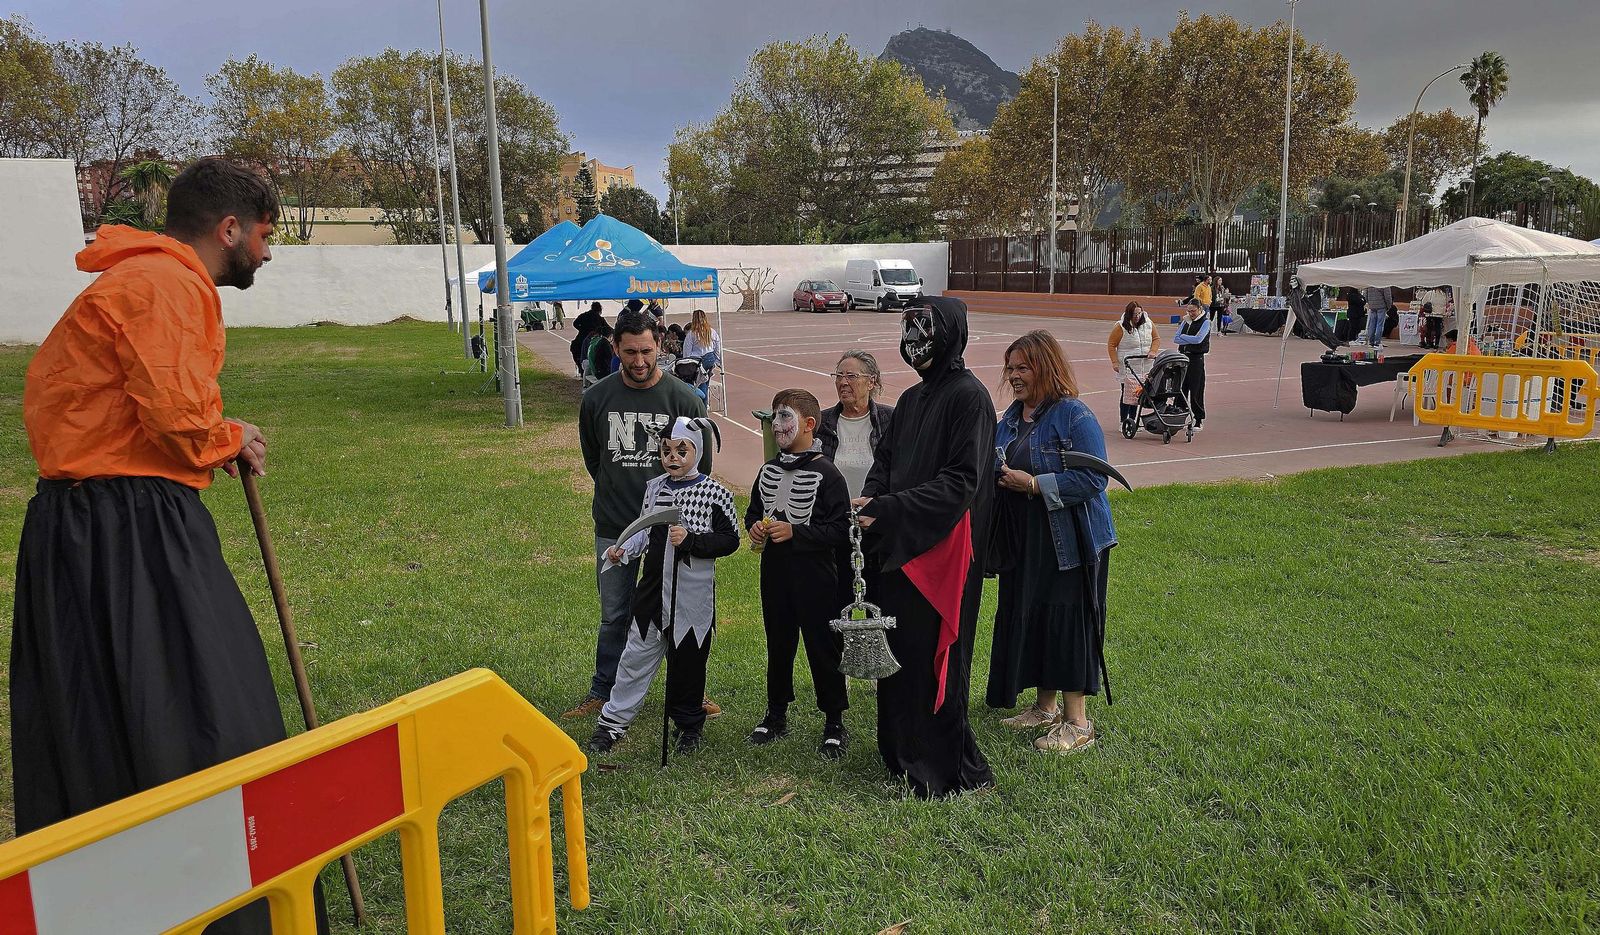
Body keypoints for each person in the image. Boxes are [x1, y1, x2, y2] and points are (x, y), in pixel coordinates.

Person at [12, 157, 323, 934]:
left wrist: (218, 434)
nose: (268, 252)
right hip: (129, 531)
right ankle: (221, 905)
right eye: (265, 235)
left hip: (84, 529)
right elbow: (178, 419)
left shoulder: (138, 278)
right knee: (199, 708)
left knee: (111, 715)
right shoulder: (167, 283)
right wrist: (229, 436)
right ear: (230, 229)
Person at [853, 296, 995, 798]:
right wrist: (871, 499)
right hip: (899, 545)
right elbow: (886, 462)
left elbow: (962, 482)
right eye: (907, 330)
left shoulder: (970, 397)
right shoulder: (912, 400)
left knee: (937, 658)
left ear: (949, 334)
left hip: (944, 549)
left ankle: (944, 767)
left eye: (924, 330)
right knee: (901, 654)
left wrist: (890, 506)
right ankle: (901, 753)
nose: (913, 342)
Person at [573, 309, 719, 721]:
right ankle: (603, 690)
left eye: (647, 351)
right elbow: (594, 458)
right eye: (630, 352)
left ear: (660, 346)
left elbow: (701, 467)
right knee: (614, 614)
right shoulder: (597, 398)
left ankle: (688, 693)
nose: (639, 361)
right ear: (616, 348)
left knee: (678, 612)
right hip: (615, 524)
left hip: (670, 530)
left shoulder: (684, 400)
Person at [988, 331, 1116, 754]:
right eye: (1010, 368)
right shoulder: (1010, 419)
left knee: (1067, 623)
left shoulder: (1073, 415)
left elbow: (1094, 478)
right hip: (1027, 541)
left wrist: (1034, 485)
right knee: (1037, 618)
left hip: (1071, 542)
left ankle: (1078, 723)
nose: (1014, 376)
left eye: (1023, 367)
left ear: (1045, 367)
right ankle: (1045, 708)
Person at [590, 417, 740, 754]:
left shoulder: (716, 494)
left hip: (692, 597)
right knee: (634, 659)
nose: (672, 457)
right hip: (652, 594)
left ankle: (688, 726)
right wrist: (624, 548)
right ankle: (612, 723)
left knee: (688, 666)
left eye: (681, 451)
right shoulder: (655, 488)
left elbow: (730, 540)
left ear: (697, 451)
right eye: (666, 451)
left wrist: (691, 540)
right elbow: (645, 529)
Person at [745, 390, 852, 758]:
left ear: (808, 424)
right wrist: (754, 527)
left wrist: (797, 532)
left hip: (816, 577)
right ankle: (776, 714)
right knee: (778, 643)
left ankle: (834, 720)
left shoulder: (828, 474)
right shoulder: (768, 470)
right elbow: (754, 511)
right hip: (775, 574)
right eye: (775, 417)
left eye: (785, 417)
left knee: (823, 646)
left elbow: (840, 529)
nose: (777, 425)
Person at [817, 350, 894, 501]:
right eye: (839, 376)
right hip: (833, 513)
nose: (843, 382)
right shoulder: (821, 422)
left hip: (876, 510)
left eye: (851, 376)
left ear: (871, 382)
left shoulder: (890, 419)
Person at [1107, 302, 1159, 430]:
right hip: (1128, 366)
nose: (1137, 316)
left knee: (1138, 394)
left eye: (1139, 313)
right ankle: (1123, 421)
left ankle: (1133, 419)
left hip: (1144, 366)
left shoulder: (1148, 323)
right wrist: (1115, 362)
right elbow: (1111, 344)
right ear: (1129, 314)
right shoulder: (1120, 326)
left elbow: (1156, 338)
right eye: (1134, 314)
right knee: (1127, 394)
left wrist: (1153, 351)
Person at [1173, 300, 1211, 431]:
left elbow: (1199, 339)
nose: (1191, 313)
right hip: (1183, 357)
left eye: (1193, 311)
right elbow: (1176, 338)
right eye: (1189, 311)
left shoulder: (1205, 322)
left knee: (1196, 389)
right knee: (1181, 388)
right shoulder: (1185, 321)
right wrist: (1188, 338)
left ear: (1200, 309)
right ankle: (1179, 415)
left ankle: (1198, 419)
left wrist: (1184, 336)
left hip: (1196, 359)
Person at [681, 308, 721, 403]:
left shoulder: (692, 334)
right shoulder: (711, 331)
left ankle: (702, 404)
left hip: (697, 360)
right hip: (710, 358)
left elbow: (687, 351)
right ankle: (705, 403)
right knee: (705, 382)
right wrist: (717, 360)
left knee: (700, 383)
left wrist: (685, 364)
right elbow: (717, 347)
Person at [570, 301, 606, 375]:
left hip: (580, 339)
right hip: (592, 340)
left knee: (576, 351)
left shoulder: (584, 315)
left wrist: (582, 329)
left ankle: (581, 370)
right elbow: (607, 328)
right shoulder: (599, 318)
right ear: (599, 309)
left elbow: (575, 323)